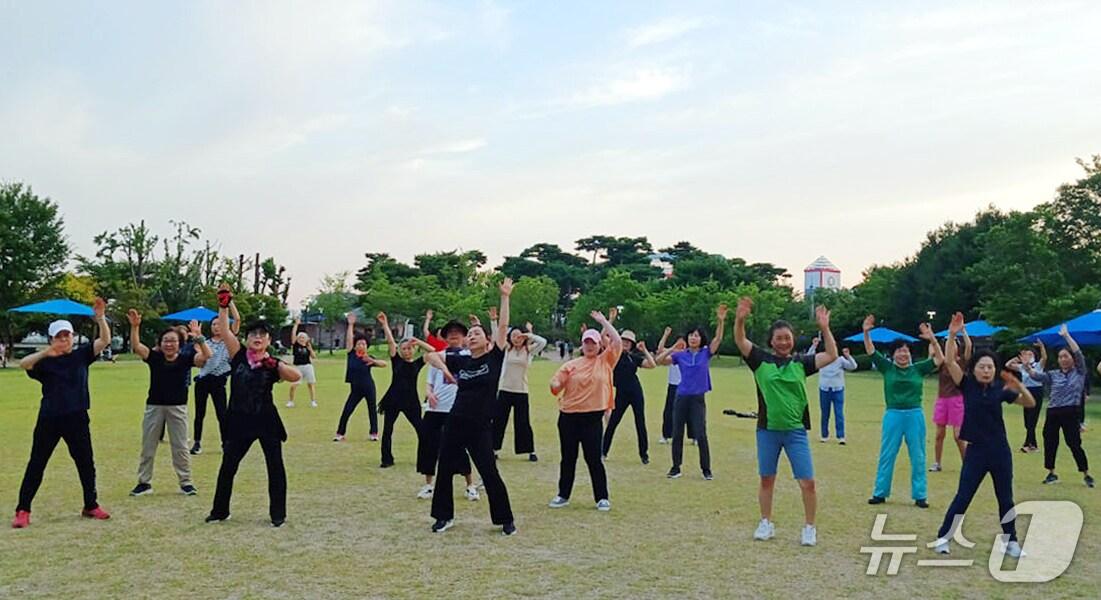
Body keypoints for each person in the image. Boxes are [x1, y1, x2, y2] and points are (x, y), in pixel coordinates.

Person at [735, 298, 837, 547]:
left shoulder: (801, 363)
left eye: (787, 337)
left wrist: (825, 328)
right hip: (767, 431)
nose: (783, 341)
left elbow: (832, 355)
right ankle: (766, 523)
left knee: (807, 482)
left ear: (792, 340)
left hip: (795, 432)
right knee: (767, 478)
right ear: (771, 341)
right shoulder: (760, 360)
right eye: (778, 338)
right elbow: (740, 341)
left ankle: (809, 527)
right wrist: (740, 320)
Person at [934, 312, 1036, 557]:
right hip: (976, 450)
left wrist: (1018, 384)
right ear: (975, 369)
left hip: (1000, 450)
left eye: (990, 367)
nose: (987, 370)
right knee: (964, 496)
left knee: (1005, 498)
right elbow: (949, 362)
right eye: (982, 367)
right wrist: (951, 334)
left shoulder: (1000, 389)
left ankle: (1011, 542)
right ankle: (943, 537)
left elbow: (1030, 403)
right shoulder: (966, 383)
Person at [422, 278, 516, 535]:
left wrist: (505, 297)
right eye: (470, 335)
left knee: (489, 472)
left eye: (477, 334)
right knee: (444, 470)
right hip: (455, 423)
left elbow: (504, 326)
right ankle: (443, 517)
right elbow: (429, 356)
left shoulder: (494, 359)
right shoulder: (461, 361)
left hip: (480, 427)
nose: (472, 336)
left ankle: (505, 520)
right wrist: (445, 369)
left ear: (487, 340)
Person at [11, 299, 113, 529]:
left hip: (77, 416)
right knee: (37, 463)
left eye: (66, 336)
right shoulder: (44, 362)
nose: (63, 340)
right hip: (50, 417)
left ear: (72, 337)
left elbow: (104, 340)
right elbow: (23, 364)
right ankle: (23, 509)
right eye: (59, 336)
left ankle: (91, 504)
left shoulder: (81, 355)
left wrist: (100, 318)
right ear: (51, 339)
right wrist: (47, 352)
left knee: (86, 462)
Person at [206, 284, 302, 527]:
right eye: (253, 335)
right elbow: (226, 330)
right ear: (247, 339)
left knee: (275, 467)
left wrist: (273, 363)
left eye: (262, 335)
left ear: (269, 340)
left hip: (266, 420)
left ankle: (277, 514)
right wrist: (223, 304)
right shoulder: (238, 355)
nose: (257, 338)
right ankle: (220, 511)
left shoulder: (272, 362)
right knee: (228, 466)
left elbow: (295, 377)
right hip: (239, 420)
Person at [127, 311, 211, 497]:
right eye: (166, 340)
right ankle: (144, 483)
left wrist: (199, 338)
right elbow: (137, 346)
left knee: (180, 447)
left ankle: (186, 482)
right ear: (160, 343)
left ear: (180, 344)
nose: (169, 344)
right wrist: (135, 327)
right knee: (148, 446)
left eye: (173, 340)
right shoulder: (154, 358)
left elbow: (207, 357)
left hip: (178, 408)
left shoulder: (186, 359)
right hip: (154, 407)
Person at [862, 315, 942, 508]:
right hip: (893, 415)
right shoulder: (887, 368)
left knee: (918, 455)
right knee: (887, 454)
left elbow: (940, 359)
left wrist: (932, 339)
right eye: (899, 351)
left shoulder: (918, 369)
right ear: (893, 354)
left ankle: (920, 495)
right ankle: (880, 492)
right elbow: (871, 351)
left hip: (915, 415)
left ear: (911, 354)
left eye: (906, 351)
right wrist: (866, 332)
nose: (903, 354)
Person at [547, 310, 621, 511]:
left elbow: (617, 342)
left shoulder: (605, 361)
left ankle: (602, 497)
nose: (589, 346)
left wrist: (604, 321)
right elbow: (557, 383)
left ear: (599, 346)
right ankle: (563, 495)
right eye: (587, 343)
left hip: (592, 418)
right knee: (568, 458)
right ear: (582, 345)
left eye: (593, 343)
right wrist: (554, 383)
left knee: (594, 459)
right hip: (569, 417)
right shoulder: (571, 365)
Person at [656, 304, 728, 480]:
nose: (693, 338)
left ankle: (706, 469)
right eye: (691, 335)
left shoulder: (705, 353)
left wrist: (720, 321)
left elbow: (718, 339)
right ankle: (675, 467)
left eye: (696, 336)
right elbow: (659, 360)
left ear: (701, 339)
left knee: (700, 433)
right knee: (677, 432)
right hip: (681, 397)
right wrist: (674, 348)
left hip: (697, 398)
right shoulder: (681, 355)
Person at [415, 311, 478, 501]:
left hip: (457, 409)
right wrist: (429, 393)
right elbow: (430, 379)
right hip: (435, 409)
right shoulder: (440, 355)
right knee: (429, 446)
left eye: (458, 332)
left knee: (459, 448)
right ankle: (428, 485)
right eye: (450, 332)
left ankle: (470, 485)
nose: (454, 335)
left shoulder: (470, 355)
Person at [1021, 325, 1094, 488]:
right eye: (1060, 357)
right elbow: (1036, 376)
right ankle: (1051, 473)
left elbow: (1079, 353)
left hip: (1071, 411)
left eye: (1066, 356)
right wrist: (1027, 367)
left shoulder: (1079, 372)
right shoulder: (1054, 374)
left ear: (1072, 359)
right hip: (1053, 411)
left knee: (1074, 443)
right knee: (1050, 441)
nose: (1063, 359)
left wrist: (1067, 336)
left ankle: (1086, 473)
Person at [377, 312, 434, 469]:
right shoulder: (396, 361)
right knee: (388, 430)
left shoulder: (417, 363)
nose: (407, 351)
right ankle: (386, 459)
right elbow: (390, 341)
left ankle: (425, 458)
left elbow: (433, 351)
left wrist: (419, 342)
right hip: (393, 400)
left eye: (409, 348)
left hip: (411, 402)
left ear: (413, 350)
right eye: (404, 349)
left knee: (422, 431)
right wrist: (385, 324)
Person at [493, 311, 547, 463]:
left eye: (519, 336)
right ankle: (494, 449)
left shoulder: (528, 351)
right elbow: (497, 337)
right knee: (499, 420)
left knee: (523, 421)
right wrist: (494, 321)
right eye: (513, 335)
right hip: (504, 389)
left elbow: (543, 342)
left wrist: (529, 335)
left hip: (521, 391)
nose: (516, 338)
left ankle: (530, 450)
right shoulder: (506, 350)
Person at [602, 328, 657, 464]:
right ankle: (603, 452)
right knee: (613, 422)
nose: (626, 343)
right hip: (621, 393)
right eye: (623, 340)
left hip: (635, 392)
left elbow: (652, 365)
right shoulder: (614, 354)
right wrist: (610, 320)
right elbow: (603, 336)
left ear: (632, 344)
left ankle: (644, 454)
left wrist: (644, 350)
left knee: (640, 422)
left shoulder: (634, 357)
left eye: (628, 341)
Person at [191, 303, 240, 455]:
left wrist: (229, 302)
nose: (216, 327)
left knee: (222, 413)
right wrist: (198, 338)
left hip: (219, 381)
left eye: (219, 324)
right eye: (213, 324)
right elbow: (200, 358)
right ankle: (197, 442)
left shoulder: (229, 341)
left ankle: (226, 443)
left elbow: (237, 319)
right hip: (203, 380)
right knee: (199, 413)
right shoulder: (205, 341)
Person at [333, 313, 387, 442]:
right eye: (359, 344)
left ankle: (374, 433)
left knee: (371, 410)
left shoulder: (368, 358)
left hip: (369, 387)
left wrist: (373, 361)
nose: (361, 346)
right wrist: (351, 324)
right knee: (347, 410)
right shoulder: (351, 354)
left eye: (363, 344)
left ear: (367, 346)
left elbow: (384, 364)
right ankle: (340, 433)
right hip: (355, 389)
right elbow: (349, 340)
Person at [930, 327, 972, 472]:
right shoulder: (942, 362)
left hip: (957, 400)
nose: (951, 345)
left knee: (958, 436)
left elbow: (969, 346)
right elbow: (932, 355)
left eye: (953, 343)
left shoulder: (961, 362)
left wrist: (963, 331)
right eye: (949, 343)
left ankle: (967, 464)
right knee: (939, 434)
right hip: (942, 399)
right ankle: (937, 463)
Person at [805, 336, 857, 444]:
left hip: (838, 390)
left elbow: (853, 366)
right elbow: (808, 358)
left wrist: (848, 356)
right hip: (824, 389)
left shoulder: (840, 360)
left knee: (839, 413)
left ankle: (841, 436)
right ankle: (824, 435)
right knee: (825, 413)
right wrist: (814, 345)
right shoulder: (821, 359)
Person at [1005, 342, 1047, 453]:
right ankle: (1031, 444)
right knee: (1027, 420)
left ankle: (1030, 444)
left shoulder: (1038, 365)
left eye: (1030, 354)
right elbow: (1008, 365)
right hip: (1026, 392)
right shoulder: (1022, 367)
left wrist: (1042, 347)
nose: (1028, 356)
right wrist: (1017, 359)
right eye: (1026, 354)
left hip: (1037, 392)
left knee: (1032, 420)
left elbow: (1044, 357)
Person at [656, 329, 695, 445]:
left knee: (690, 412)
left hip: (687, 387)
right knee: (669, 411)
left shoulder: (690, 354)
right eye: (678, 342)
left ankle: (694, 436)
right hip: (673, 386)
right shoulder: (672, 354)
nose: (681, 345)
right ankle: (666, 435)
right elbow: (659, 350)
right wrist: (666, 335)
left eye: (683, 342)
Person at [286, 317, 318, 408]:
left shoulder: (308, 346)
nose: (301, 339)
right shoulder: (296, 346)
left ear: (307, 339)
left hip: (308, 366)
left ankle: (313, 401)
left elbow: (313, 356)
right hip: (297, 367)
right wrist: (296, 324)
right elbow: (293, 336)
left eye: (303, 338)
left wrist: (310, 349)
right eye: (300, 337)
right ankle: (291, 401)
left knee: (311, 384)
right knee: (294, 385)